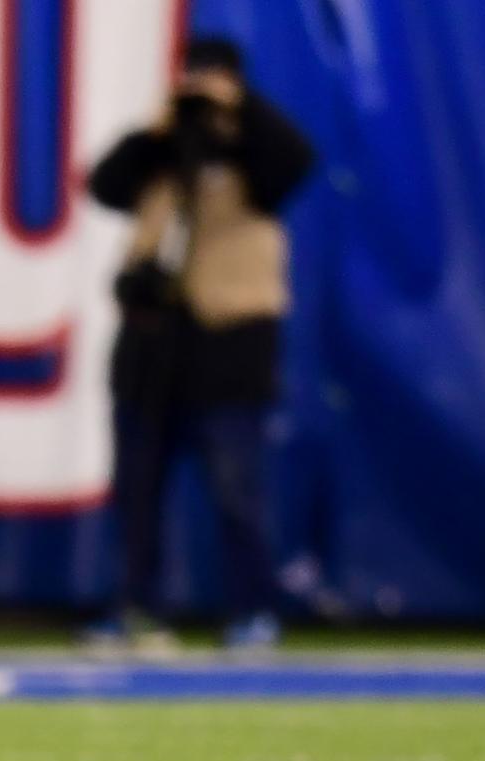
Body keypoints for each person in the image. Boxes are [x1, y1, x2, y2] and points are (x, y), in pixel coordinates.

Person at [85, 37, 314, 654]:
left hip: (230, 344)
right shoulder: (162, 149)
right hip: (153, 344)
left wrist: (238, 112)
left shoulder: (254, 147)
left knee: (238, 491)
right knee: (137, 491)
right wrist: (162, 124)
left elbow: (292, 166)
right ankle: (137, 608)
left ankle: (253, 611)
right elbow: (104, 184)